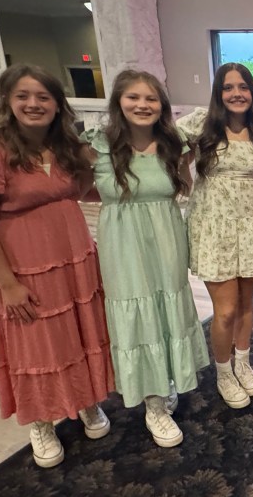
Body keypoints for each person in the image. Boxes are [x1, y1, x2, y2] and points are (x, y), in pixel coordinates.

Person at [0, 64, 114, 468]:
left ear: (58, 105)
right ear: (7, 101)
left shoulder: (66, 148)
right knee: (37, 344)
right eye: (23, 96)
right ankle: (41, 420)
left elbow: (83, 192)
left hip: (74, 258)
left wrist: (100, 164)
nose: (33, 104)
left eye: (43, 97)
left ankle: (86, 400)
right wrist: (7, 284)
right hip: (26, 266)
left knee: (81, 332)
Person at [83, 70, 210, 447]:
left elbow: (185, 183)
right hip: (123, 242)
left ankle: (163, 381)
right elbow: (77, 189)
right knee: (137, 314)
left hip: (166, 238)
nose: (142, 105)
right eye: (133, 97)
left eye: (151, 98)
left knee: (166, 310)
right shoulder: (98, 146)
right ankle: (153, 406)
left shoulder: (174, 144)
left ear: (162, 105)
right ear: (118, 102)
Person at [177, 63, 253, 410]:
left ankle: (243, 362)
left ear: (252, 92)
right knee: (225, 310)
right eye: (228, 87)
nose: (237, 93)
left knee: (247, 303)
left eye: (243, 87)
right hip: (213, 225)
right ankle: (223, 372)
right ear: (219, 93)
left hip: (251, 223)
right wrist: (182, 175)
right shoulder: (202, 123)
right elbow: (167, 146)